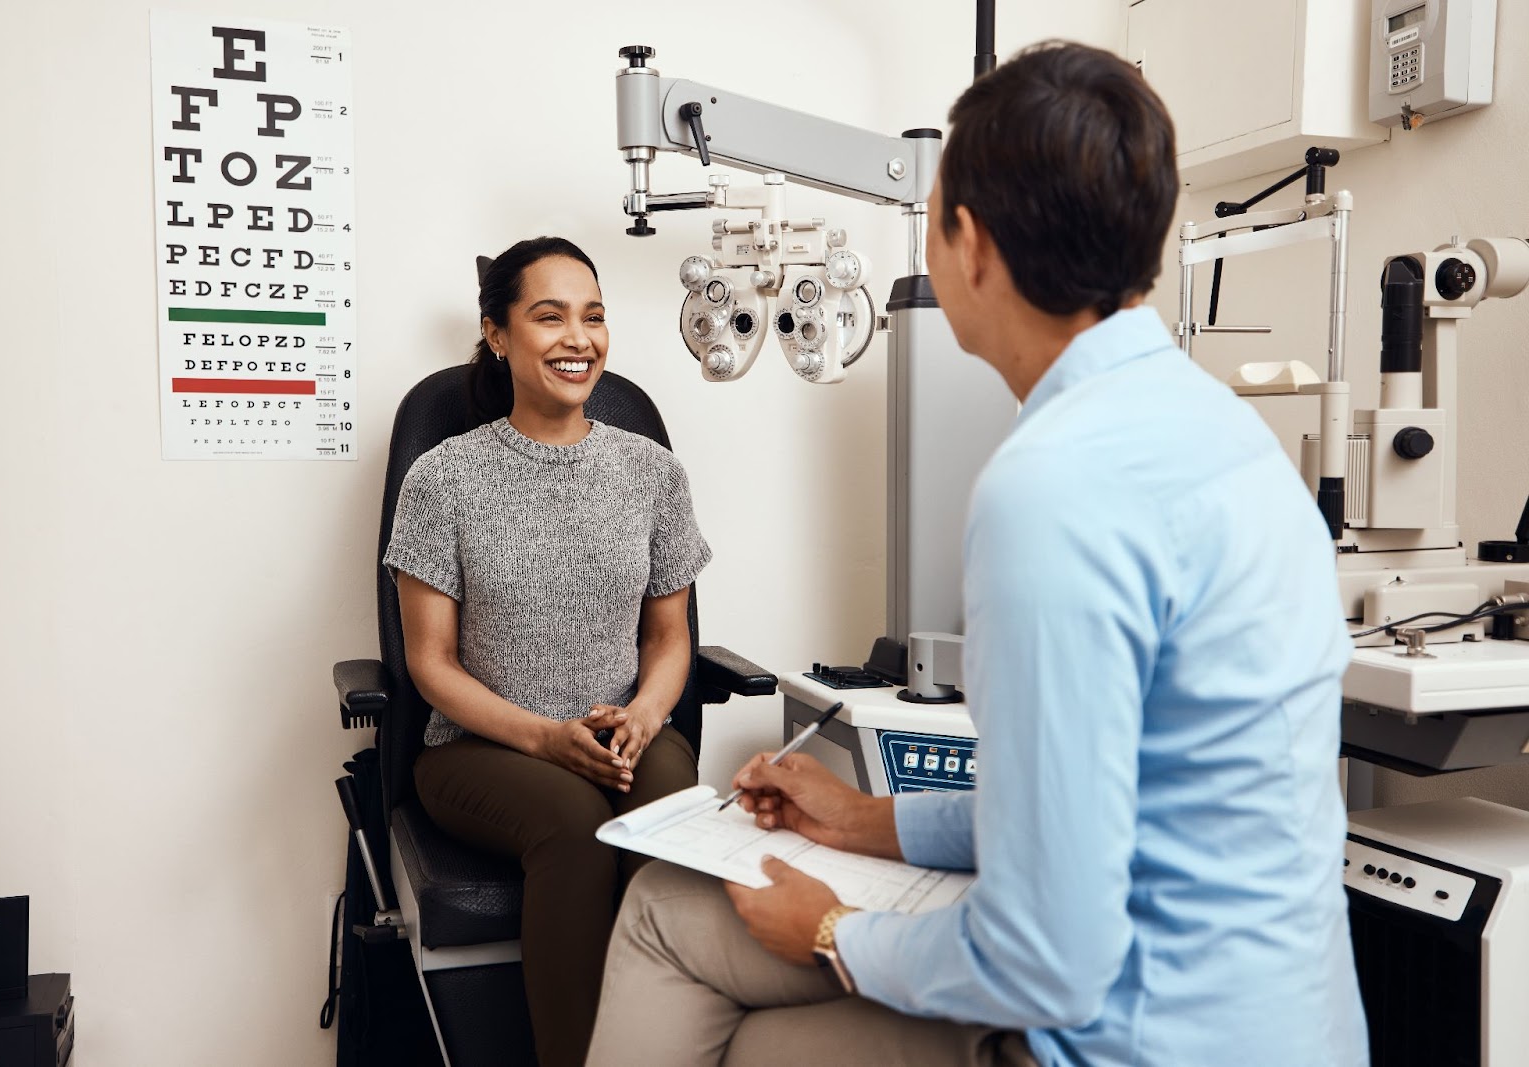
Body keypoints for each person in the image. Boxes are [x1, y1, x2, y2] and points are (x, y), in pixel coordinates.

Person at [586, 42, 1369, 1067]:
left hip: (1136, 1032)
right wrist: (867, 819)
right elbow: (1098, 804)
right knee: (719, 971)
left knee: (683, 945)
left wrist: (833, 932)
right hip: (1290, 1019)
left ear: (973, 244)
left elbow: (1048, 956)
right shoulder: (1230, 439)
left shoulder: (1050, 486)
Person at [382, 236, 711, 1067]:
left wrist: (642, 714)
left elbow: (669, 638)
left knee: (674, 823)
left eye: (594, 316)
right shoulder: (443, 477)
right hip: (479, 749)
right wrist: (543, 737)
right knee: (570, 825)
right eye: (549, 315)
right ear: (497, 333)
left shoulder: (652, 471)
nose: (580, 337)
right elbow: (431, 663)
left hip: (622, 732)